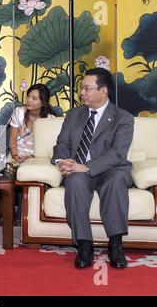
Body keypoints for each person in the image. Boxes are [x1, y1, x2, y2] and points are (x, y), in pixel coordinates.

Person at [51, 68, 134, 269]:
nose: (82, 93)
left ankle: (115, 244)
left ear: (103, 91)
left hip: (111, 169)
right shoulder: (74, 115)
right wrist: (62, 161)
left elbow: (117, 153)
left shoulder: (123, 118)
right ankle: (84, 245)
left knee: (114, 182)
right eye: (82, 88)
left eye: (87, 88)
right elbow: (62, 143)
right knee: (75, 180)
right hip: (80, 170)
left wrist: (86, 167)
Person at [8, 83, 55, 169]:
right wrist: (15, 156)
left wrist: (32, 158)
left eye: (34, 98)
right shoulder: (19, 112)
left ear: (43, 103)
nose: (29, 100)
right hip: (16, 155)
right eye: (28, 96)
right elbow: (12, 139)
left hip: (38, 158)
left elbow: (47, 149)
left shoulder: (50, 120)